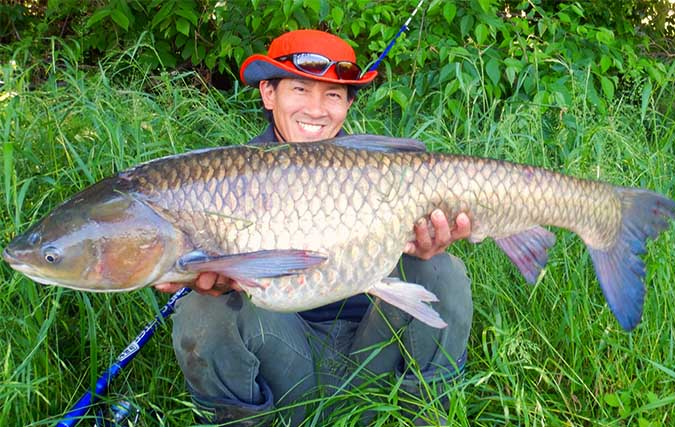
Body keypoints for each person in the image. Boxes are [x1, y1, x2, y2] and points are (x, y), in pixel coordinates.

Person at [156, 29, 473, 426]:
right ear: (269, 94)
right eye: (300, 89)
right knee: (202, 308)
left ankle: (420, 415)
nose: (317, 109)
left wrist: (426, 244)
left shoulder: (389, 172)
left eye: (333, 95)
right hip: (288, 361)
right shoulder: (222, 182)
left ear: (347, 106)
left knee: (444, 270)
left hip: (377, 350)